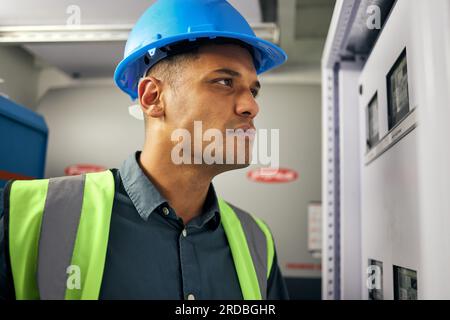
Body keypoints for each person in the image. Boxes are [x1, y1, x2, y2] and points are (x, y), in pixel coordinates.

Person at [0, 0, 289, 300]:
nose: (251, 106)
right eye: (224, 81)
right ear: (152, 97)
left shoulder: (257, 242)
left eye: (253, 90)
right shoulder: (29, 215)